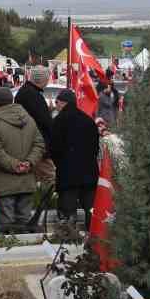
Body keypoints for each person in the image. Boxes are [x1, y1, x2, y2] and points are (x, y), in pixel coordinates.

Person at [0, 85, 44, 233]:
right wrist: (28, 163)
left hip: (3, 184)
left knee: (5, 229)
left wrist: (15, 165)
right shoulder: (29, 119)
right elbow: (39, 144)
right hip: (26, 181)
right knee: (24, 227)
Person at [48, 89, 101, 228]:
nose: (56, 105)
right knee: (91, 211)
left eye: (57, 102)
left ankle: (67, 243)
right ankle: (93, 241)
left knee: (68, 214)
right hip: (89, 173)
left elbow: (53, 148)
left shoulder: (58, 121)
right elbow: (96, 147)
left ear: (63, 102)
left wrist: (60, 164)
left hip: (68, 175)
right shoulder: (88, 120)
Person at [15, 66, 55, 145]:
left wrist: (48, 110)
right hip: (34, 141)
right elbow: (44, 121)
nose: (48, 82)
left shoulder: (25, 90)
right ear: (43, 80)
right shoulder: (33, 95)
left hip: (25, 137)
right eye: (48, 80)